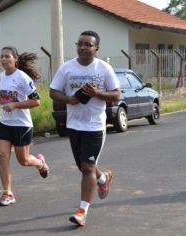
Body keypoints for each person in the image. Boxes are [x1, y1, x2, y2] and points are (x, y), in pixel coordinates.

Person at [49, 30, 120, 226]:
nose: (83, 47)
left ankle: (82, 211)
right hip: (74, 125)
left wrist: (97, 93)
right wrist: (68, 99)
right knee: (83, 167)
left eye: (88, 44)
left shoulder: (104, 68)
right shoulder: (66, 68)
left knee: (88, 167)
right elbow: (53, 92)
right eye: (80, 43)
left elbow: (116, 95)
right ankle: (104, 177)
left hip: (95, 125)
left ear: (96, 48)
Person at [0, 46, 49, 207]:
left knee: (24, 160)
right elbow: (6, 99)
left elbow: (36, 101)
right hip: (4, 123)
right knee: (2, 156)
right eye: (2, 56)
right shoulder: (1, 76)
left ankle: (40, 163)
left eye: (7, 56)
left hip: (21, 125)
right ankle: (7, 192)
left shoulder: (22, 77)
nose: (4, 59)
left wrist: (15, 105)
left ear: (15, 59)